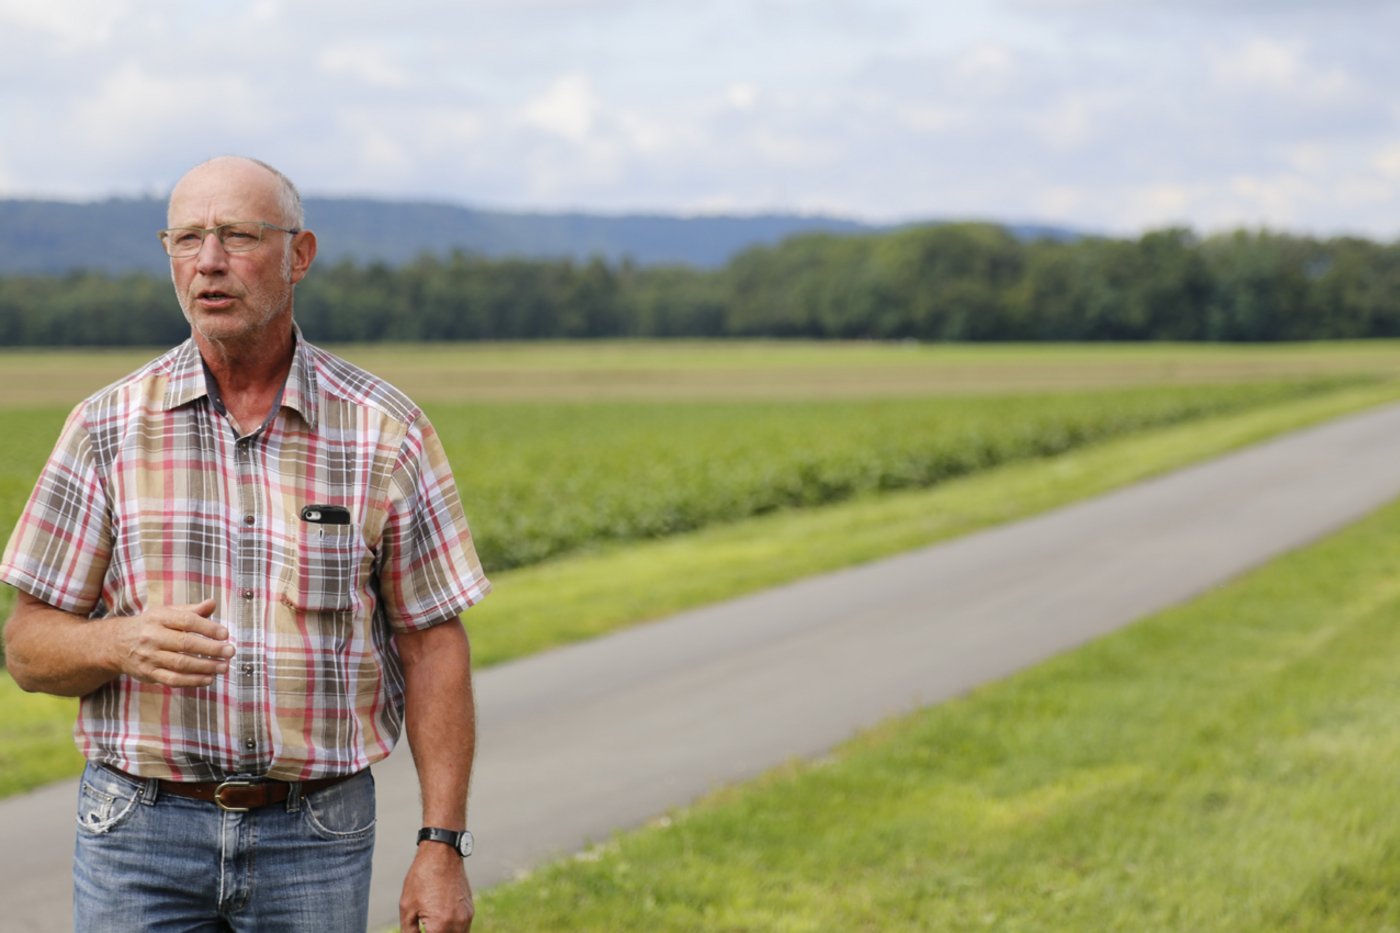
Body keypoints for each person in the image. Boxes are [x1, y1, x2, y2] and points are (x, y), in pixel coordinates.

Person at [0, 156, 490, 933]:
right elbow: (26, 647)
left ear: (299, 255)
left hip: (316, 831)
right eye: (187, 238)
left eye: (237, 235)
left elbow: (433, 643)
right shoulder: (105, 427)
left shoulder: (382, 430)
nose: (209, 261)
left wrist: (442, 842)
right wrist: (119, 641)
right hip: (138, 829)